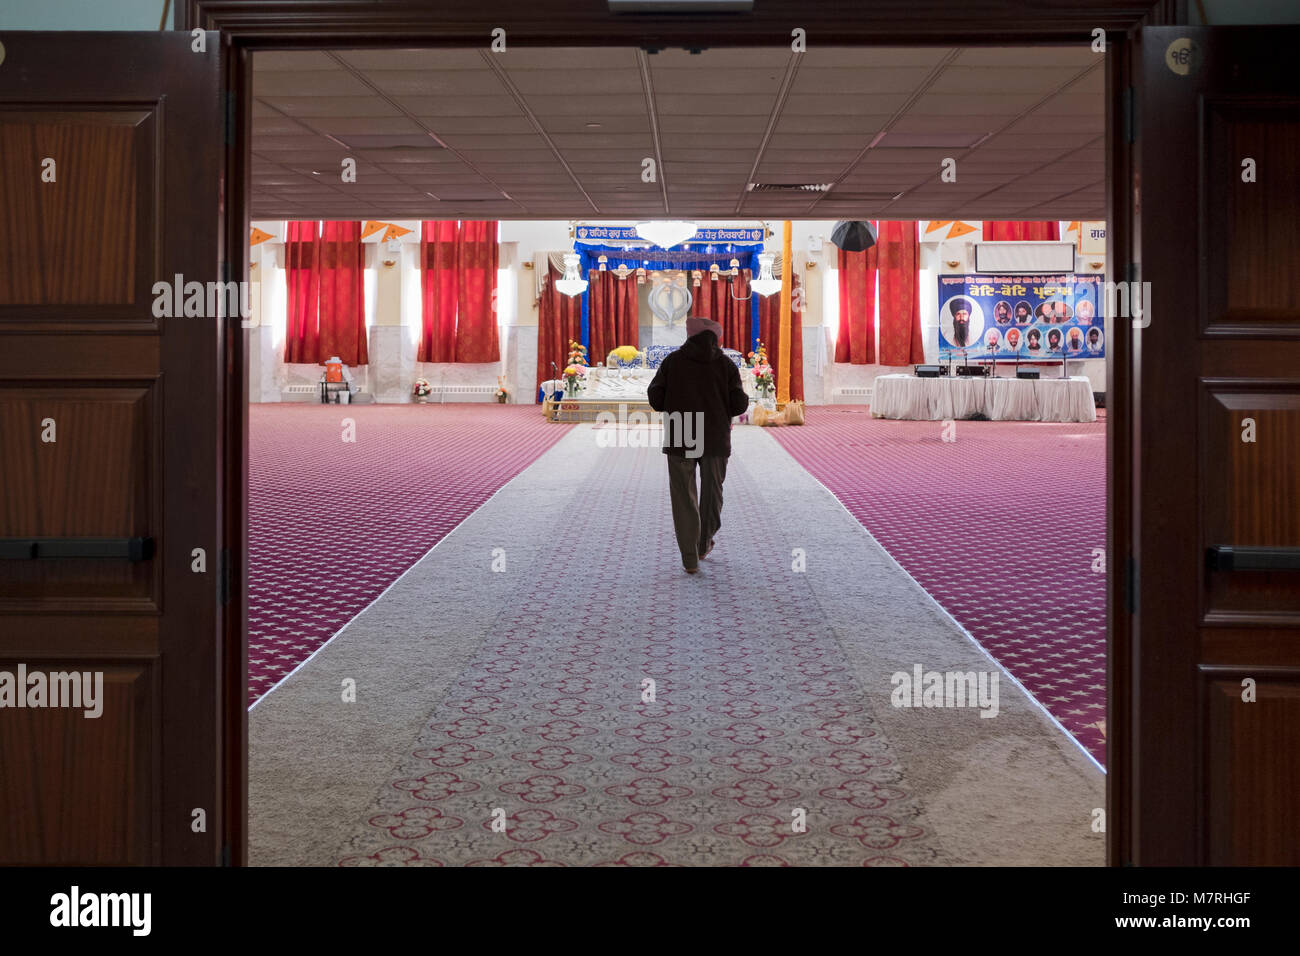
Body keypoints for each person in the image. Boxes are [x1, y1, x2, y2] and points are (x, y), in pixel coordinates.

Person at [647, 316, 750, 575]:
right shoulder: (726, 365)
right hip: (715, 435)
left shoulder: (672, 362)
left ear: (689, 335)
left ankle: (690, 558)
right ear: (716, 338)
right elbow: (739, 405)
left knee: (683, 496)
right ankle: (704, 544)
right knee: (712, 493)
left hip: (681, 431)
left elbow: (656, 399)